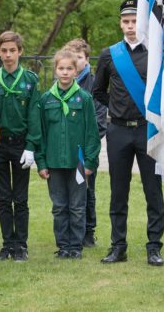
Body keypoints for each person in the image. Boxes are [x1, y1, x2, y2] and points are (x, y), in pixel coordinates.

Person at [92, 0, 164, 266]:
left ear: (142, 23)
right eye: (126, 21)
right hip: (119, 131)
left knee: (153, 191)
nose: (130, 26)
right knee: (118, 190)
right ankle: (117, 246)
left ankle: (154, 247)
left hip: (148, 130)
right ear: (120, 23)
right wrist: (119, 105)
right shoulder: (109, 54)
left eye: (135, 21)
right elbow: (98, 91)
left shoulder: (156, 52)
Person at [36, 50, 100, 259]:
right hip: (54, 162)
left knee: (77, 207)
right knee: (59, 206)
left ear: (76, 71)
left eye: (69, 68)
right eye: (61, 68)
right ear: (55, 70)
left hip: (78, 163)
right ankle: (63, 246)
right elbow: (41, 134)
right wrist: (41, 162)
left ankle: (76, 247)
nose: (65, 72)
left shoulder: (84, 98)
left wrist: (90, 161)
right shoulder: (46, 100)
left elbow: (92, 133)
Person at [0, 31, 40, 262]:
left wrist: (31, 146)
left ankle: (21, 244)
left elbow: (34, 116)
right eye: (4, 51)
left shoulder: (30, 80)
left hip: (21, 145)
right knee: (3, 198)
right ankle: (6, 244)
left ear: (20, 52)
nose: (8, 55)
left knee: (20, 198)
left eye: (12, 50)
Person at [63, 38, 107, 247]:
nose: (75, 61)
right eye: (72, 57)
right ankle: (70, 230)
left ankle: (88, 231)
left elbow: (100, 119)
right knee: (67, 191)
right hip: (64, 147)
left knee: (86, 189)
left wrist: (87, 145)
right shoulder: (62, 82)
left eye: (79, 57)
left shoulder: (94, 83)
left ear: (87, 59)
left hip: (86, 149)